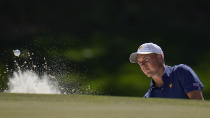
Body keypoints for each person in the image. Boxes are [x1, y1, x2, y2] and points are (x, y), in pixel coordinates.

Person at [129, 43, 204, 100]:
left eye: (146, 59)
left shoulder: (181, 71)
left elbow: (198, 106)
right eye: (139, 62)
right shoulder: (148, 96)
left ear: (160, 57)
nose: (142, 65)